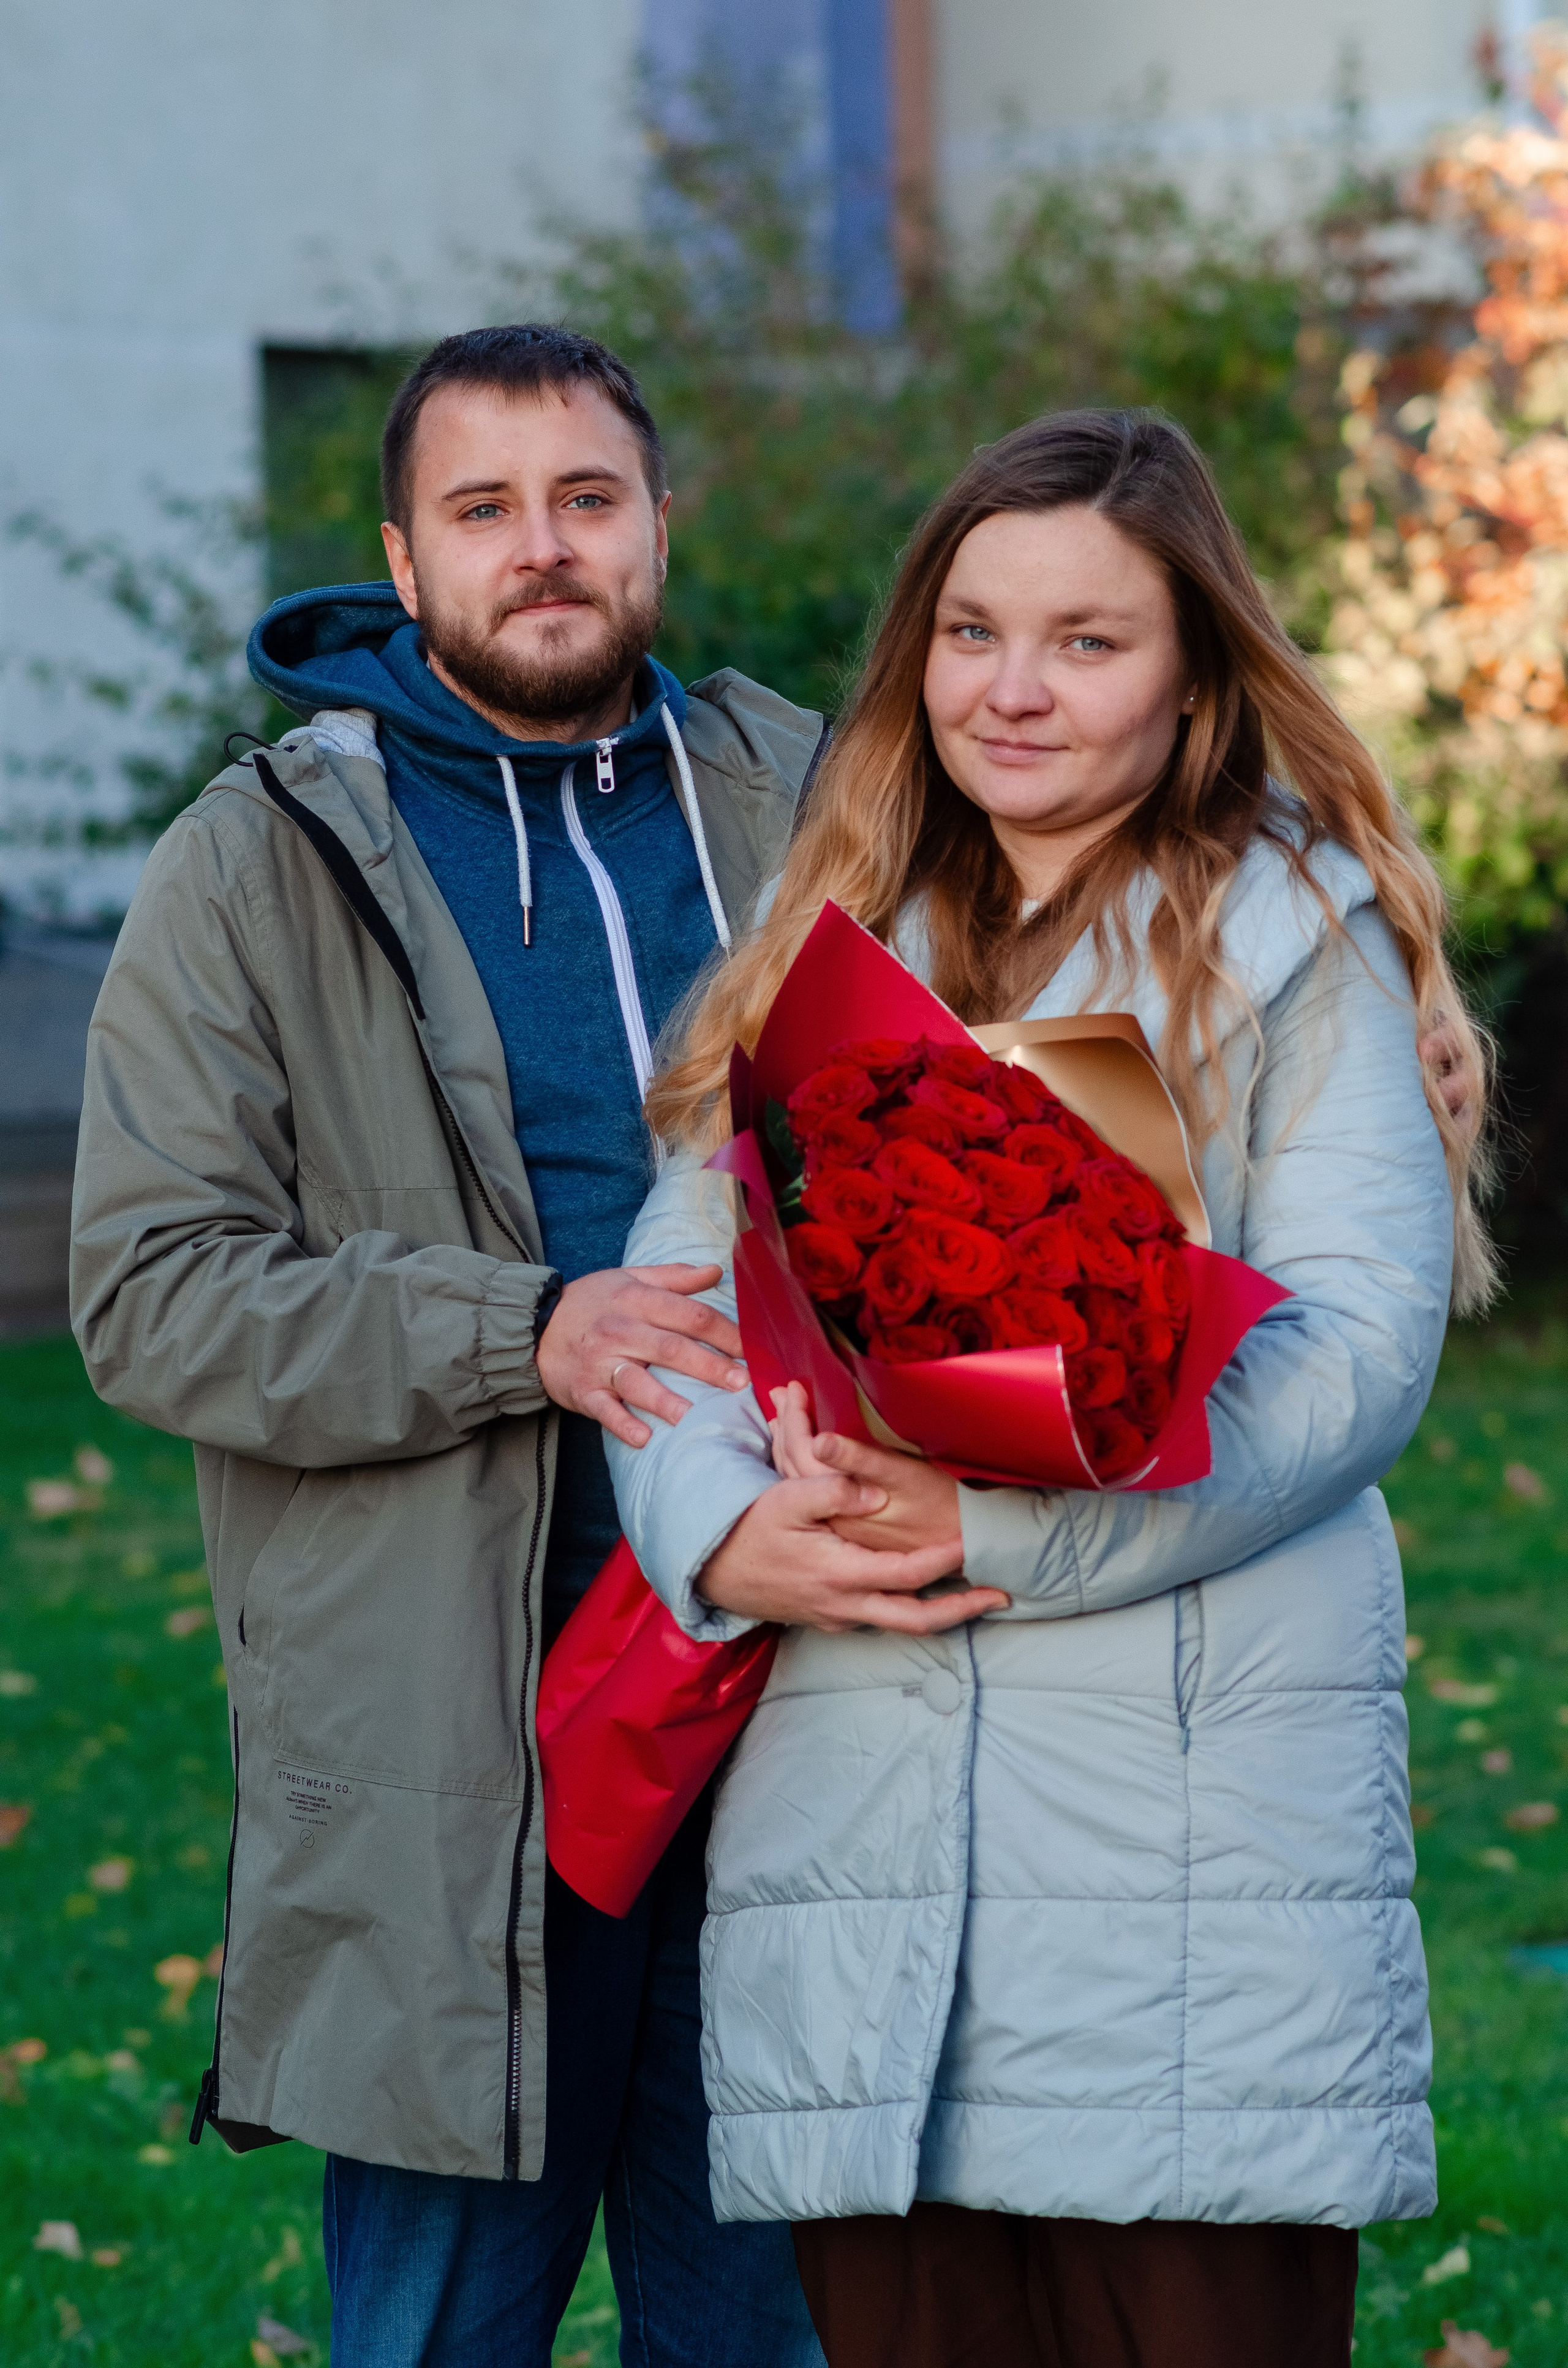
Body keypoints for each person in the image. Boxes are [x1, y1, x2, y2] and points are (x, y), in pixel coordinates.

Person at [605, 408, 1494, 2368]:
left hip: (1187, 1842)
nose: (1014, 690)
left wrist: (995, 1522)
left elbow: (1352, 1362)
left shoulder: (1301, 934)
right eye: (974, 629)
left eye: (1088, 641)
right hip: (858, 1814)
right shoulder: (818, 940)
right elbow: (670, 1310)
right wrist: (728, 1529)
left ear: (1192, 683)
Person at [70, 324, 832, 2367]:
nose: (546, 549)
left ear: (658, 525)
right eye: (485, 510)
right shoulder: (256, 859)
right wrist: (528, 1330)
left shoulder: (808, 799)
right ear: (403, 563)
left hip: (808, 1684)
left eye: (588, 499)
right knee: (440, 2332)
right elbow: (151, 1288)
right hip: (456, 1736)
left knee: (764, 2324)